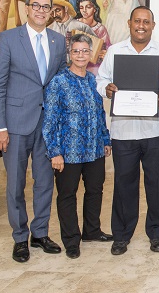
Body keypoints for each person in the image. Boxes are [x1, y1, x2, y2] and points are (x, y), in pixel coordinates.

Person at [0, 0, 67, 263]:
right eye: (36, 5)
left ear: (51, 12)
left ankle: (40, 233)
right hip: (16, 124)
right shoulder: (8, 39)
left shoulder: (58, 41)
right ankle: (20, 237)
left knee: (45, 182)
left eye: (46, 7)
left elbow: (59, 85)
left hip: (47, 126)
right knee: (15, 184)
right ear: (26, 8)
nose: (41, 11)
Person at [96, 6, 159, 256]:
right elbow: (101, 80)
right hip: (123, 131)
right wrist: (106, 89)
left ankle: (157, 233)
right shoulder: (115, 51)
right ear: (129, 23)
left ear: (153, 25)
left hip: (156, 130)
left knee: (158, 184)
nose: (141, 25)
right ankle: (121, 235)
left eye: (146, 22)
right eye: (137, 21)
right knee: (123, 184)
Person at [42, 34, 113, 259]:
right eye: (76, 51)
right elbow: (50, 120)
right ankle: (71, 240)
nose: (81, 55)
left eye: (85, 51)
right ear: (69, 54)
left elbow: (99, 114)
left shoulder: (92, 80)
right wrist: (55, 152)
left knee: (95, 190)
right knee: (67, 195)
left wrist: (105, 139)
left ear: (91, 54)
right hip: (68, 152)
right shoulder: (58, 82)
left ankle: (91, 231)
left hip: (94, 149)